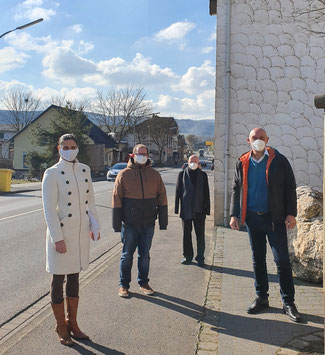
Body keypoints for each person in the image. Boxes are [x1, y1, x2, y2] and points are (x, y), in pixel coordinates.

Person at [229, 127, 301, 323]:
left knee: (282, 261)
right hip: (253, 219)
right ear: (248, 140)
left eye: (261, 137)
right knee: (257, 259)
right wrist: (234, 214)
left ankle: (288, 302)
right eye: (254, 138)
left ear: (267, 139)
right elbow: (236, 187)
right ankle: (262, 298)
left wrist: (291, 213)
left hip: (274, 219)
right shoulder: (242, 161)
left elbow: (290, 187)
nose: (258, 140)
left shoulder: (279, 160)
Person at [42, 134, 100, 346]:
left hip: (79, 233)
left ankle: (73, 323)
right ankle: (60, 326)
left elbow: (90, 201)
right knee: (58, 279)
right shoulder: (52, 173)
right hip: (62, 233)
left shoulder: (84, 169)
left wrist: (95, 225)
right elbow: (49, 210)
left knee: (74, 278)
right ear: (59, 149)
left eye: (73, 146)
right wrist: (58, 238)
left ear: (77, 148)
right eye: (65, 147)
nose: (69, 150)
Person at [112, 144, 168, 298]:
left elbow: (162, 197)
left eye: (144, 153)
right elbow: (116, 199)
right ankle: (123, 285)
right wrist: (116, 223)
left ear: (148, 156)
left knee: (145, 255)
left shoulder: (155, 175)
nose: (141, 156)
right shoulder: (123, 175)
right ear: (133, 155)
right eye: (139, 153)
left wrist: (163, 221)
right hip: (129, 224)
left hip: (148, 224)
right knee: (127, 255)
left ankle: (143, 282)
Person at [175, 155, 210, 266]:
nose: (193, 163)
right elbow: (178, 192)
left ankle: (200, 257)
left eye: (195, 161)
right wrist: (177, 209)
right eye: (191, 161)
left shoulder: (203, 175)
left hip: (200, 210)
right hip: (186, 210)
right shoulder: (181, 175)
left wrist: (207, 209)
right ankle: (187, 256)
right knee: (186, 235)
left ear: (198, 163)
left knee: (200, 235)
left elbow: (207, 193)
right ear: (188, 162)